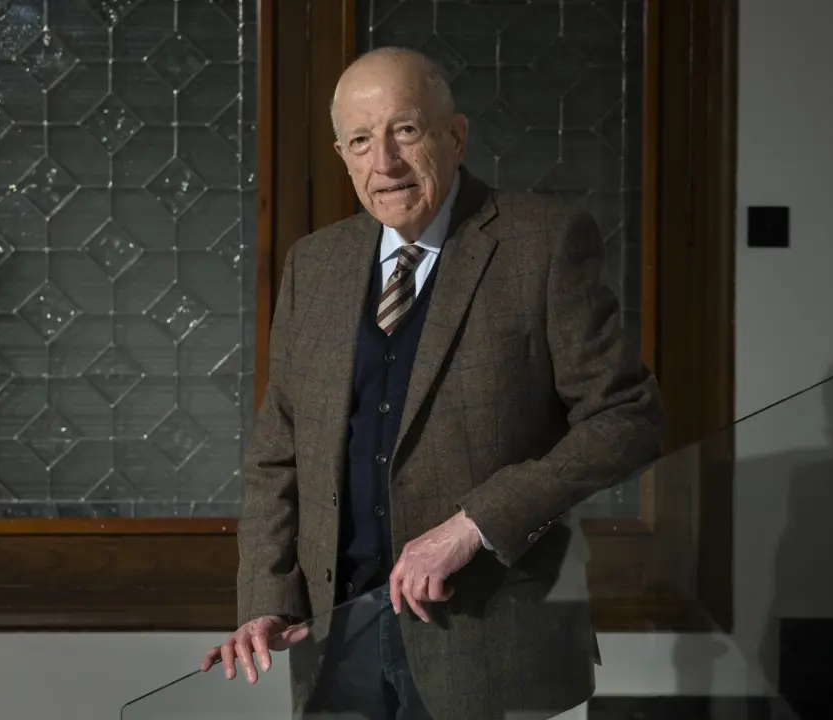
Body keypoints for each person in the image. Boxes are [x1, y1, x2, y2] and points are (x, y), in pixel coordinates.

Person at [200, 46, 664, 720]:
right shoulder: (314, 265)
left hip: (490, 645)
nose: (385, 162)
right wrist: (267, 598)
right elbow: (279, 450)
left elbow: (628, 418)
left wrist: (476, 524)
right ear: (342, 155)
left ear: (456, 136)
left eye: (406, 130)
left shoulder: (543, 243)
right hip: (335, 646)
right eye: (362, 141)